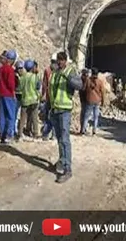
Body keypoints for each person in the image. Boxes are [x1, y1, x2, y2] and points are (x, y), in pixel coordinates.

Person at [49, 52, 82, 183]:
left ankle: (68, 169)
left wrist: (68, 78)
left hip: (64, 111)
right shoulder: (55, 73)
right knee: (59, 139)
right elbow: (51, 90)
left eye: (61, 60)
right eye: (58, 60)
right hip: (55, 109)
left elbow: (79, 86)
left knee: (65, 139)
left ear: (66, 61)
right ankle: (62, 161)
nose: (59, 62)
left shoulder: (70, 71)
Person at [0, 49, 18, 144]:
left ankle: (1, 135)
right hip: (8, 94)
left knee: (2, 115)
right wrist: (13, 92)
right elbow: (11, 84)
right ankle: (9, 135)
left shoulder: (0, 69)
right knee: (10, 115)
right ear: (12, 60)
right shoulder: (10, 70)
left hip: (0, 94)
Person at [17, 60, 41, 141]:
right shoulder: (35, 77)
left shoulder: (23, 77)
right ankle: (35, 134)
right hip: (34, 99)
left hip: (25, 99)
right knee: (34, 117)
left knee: (23, 118)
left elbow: (19, 88)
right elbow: (38, 87)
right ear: (32, 68)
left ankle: (20, 134)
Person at [83, 69, 104, 135]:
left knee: (86, 116)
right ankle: (94, 130)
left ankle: (84, 130)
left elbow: (84, 88)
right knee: (96, 117)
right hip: (97, 101)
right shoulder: (100, 82)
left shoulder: (88, 80)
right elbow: (103, 92)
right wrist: (103, 101)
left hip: (89, 100)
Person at [78, 69, 89, 135]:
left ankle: (82, 128)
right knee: (85, 115)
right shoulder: (85, 80)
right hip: (86, 99)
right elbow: (84, 88)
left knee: (83, 114)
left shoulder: (80, 79)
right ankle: (83, 129)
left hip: (82, 99)